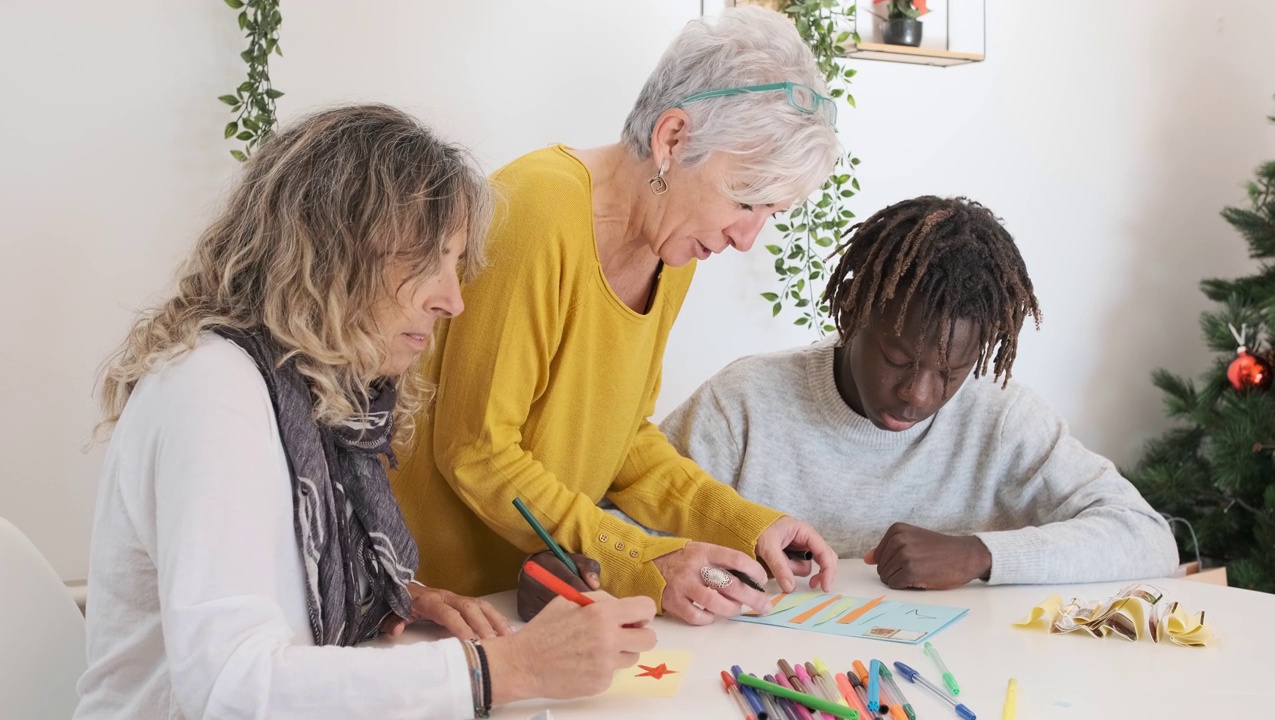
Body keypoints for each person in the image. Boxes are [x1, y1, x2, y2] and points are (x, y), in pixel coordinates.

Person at [75, 105, 657, 720]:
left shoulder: (306, 389)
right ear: (333, 253)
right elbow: (229, 687)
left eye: (455, 265)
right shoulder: (212, 392)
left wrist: (389, 596)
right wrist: (503, 670)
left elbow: (275, 585)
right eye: (429, 263)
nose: (453, 300)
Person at [390, 6, 842, 626]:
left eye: (770, 211)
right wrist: (639, 559)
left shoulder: (674, 249)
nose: (747, 238)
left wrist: (748, 524)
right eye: (744, 200)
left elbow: (623, 439)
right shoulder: (538, 209)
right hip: (440, 611)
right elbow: (477, 448)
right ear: (673, 139)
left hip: (542, 604)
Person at [661, 195, 1180, 591]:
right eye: (897, 360)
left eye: (950, 372)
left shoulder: (999, 418)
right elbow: (610, 528)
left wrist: (980, 554)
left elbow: (1147, 538)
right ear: (850, 310)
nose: (918, 394)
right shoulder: (744, 404)